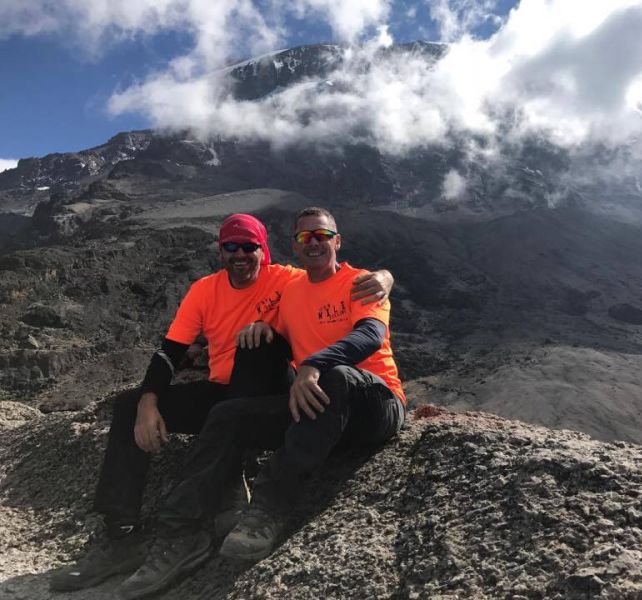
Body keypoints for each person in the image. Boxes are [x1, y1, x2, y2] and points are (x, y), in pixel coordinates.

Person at [49, 213, 394, 593]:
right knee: (136, 406)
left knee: (273, 350)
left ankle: (243, 483)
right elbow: (170, 350)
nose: (241, 254)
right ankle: (124, 535)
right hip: (231, 392)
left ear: (265, 249)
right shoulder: (213, 290)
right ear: (221, 251)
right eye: (232, 246)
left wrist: (385, 276)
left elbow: (353, 304)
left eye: (250, 246)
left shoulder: (291, 280)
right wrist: (149, 402)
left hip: (300, 387)